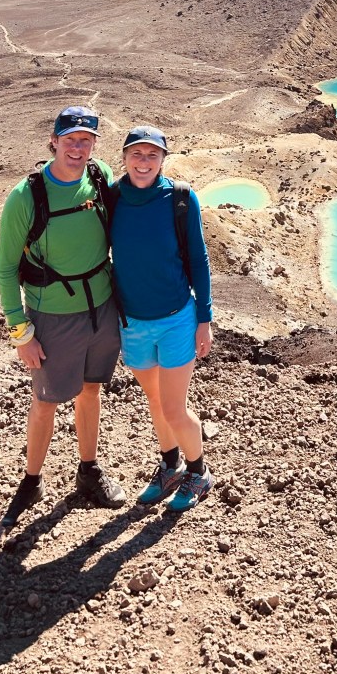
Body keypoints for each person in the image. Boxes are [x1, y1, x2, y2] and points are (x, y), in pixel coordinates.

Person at [0, 106, 126, 533]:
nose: (77, 147)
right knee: (47, 400)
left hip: (100, 307)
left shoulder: (100, 176)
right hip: (52, 314)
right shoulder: (25, 197)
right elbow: (6, 268)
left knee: (90, 390)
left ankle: (88, 471)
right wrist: (21, 331)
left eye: (86, 140)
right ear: (53, 140)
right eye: (70, 139)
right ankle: (31, 481)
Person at [111, 124, 214, 512]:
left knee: (173, 407)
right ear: (123, 158)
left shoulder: (180, 199)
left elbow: (200, 261)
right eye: (137, 153)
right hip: (132, 323)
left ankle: (198, 471)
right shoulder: (113, 198)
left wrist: (204, 318)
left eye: (152, 154)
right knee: (156, 402)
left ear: (163, 160)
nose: (144, 161)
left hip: (176, 320)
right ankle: (169, 466)